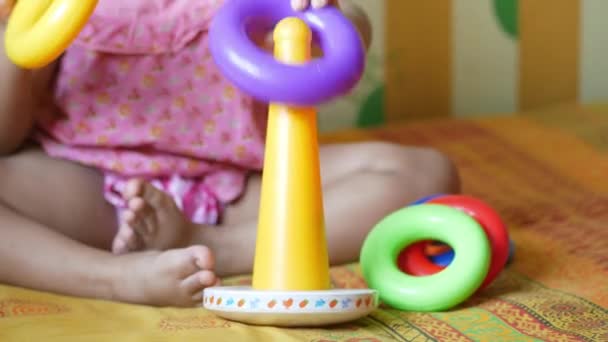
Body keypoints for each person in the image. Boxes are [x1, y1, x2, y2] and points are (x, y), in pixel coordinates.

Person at [0, 0, 460, 307]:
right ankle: (114, 277)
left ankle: (213, 244)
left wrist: (327, 15)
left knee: (424, 172)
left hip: (238, 189)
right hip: (85, 181)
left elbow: (344, 49)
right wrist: (17, 45)